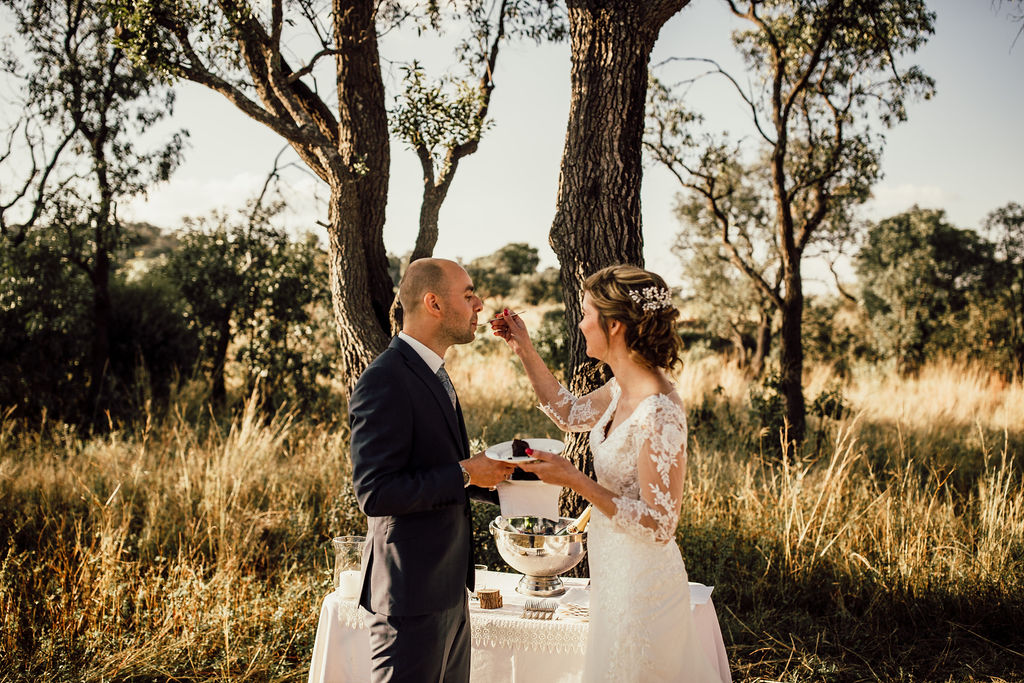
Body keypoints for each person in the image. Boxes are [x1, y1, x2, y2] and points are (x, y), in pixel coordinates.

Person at [491, 264, 723, 682]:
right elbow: (569, 413)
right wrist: (523, 347)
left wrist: (576, 480)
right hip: (612, 570)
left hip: (644, 584)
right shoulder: (621, 388)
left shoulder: (659, 409)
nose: (580, 325)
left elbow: (660, 525)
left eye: (586, 314)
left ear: (614, 325)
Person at [350, 258, 516, 683]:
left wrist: (510, 481)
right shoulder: (385, 378)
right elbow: (375, 492)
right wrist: (466, 472)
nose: (479, 305)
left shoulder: (432, 371)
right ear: (433, 303)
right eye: (469, 294)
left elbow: (437, 467)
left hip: (449, 592)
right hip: (409, 598)